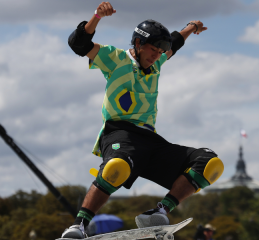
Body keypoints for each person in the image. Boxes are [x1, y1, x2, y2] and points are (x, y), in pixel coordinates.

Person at [61, 2, 224, 239]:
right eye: (153, 51)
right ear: (138, 43)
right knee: (117, 166)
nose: (156, 57)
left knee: (209, 163)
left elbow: (175, 43)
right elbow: (78, 44)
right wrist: (97, 16)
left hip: (151, 141)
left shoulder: (157, 63)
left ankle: (158, 211)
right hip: (119, 133)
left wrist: (191, 27)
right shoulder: (115, 59)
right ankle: (78, 225)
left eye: (160, 53)